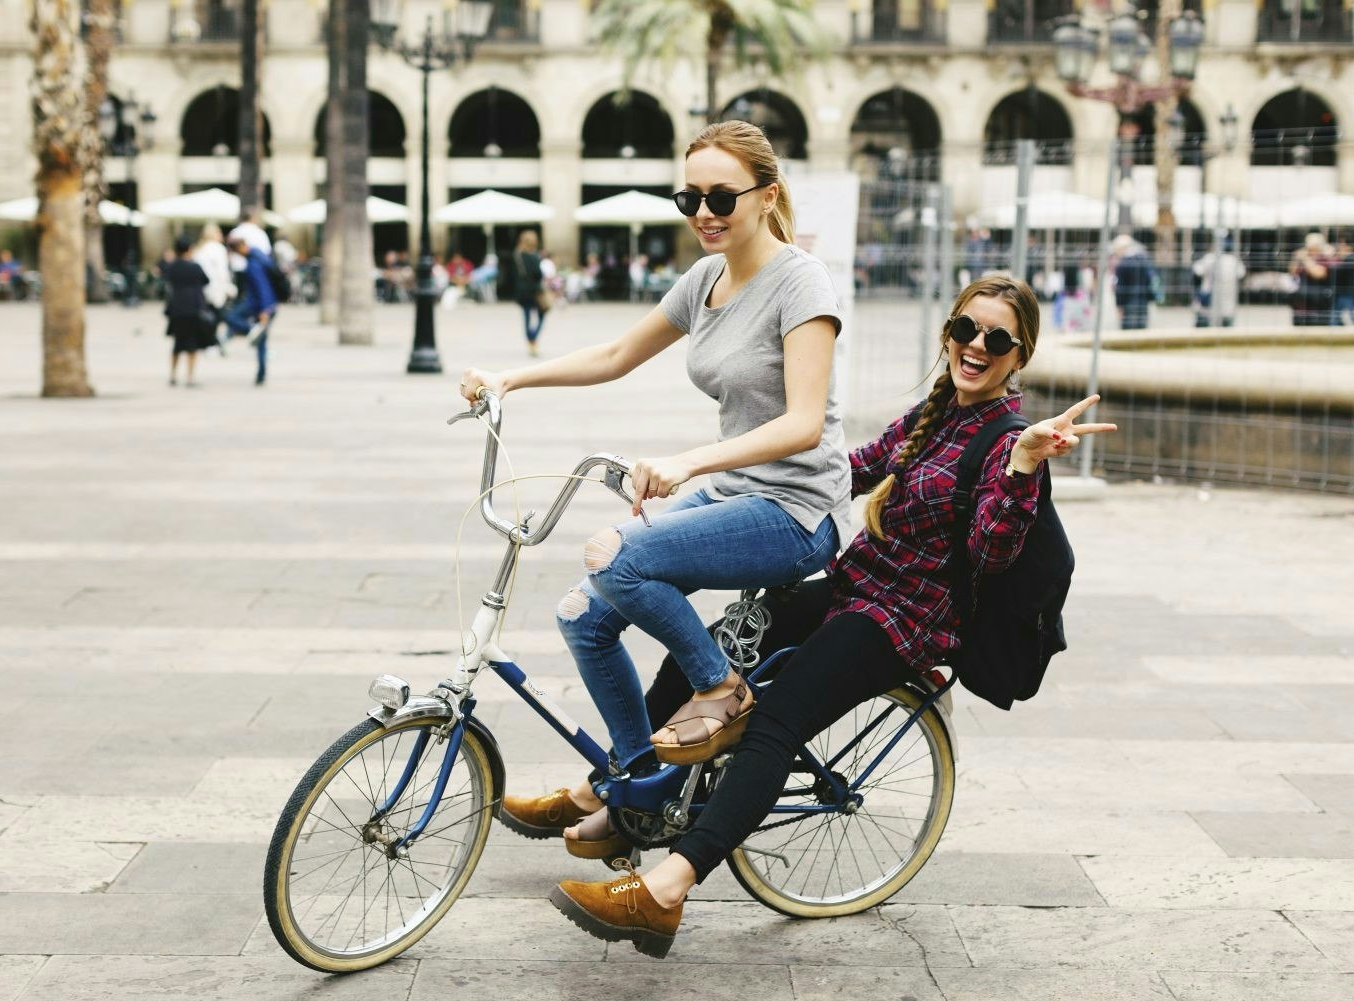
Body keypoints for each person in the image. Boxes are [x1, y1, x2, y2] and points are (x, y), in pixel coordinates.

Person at [543, 275, 1117, 956]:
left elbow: (991, 550)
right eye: (967, 329)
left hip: (902, 619)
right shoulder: (933, 414)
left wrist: (1023, 467)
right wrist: (759, 487)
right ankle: (631, 796)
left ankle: (667, 888)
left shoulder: (1005, 439)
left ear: (1017, 357)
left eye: (997, 339)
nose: (976, 347)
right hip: (853, 584)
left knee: (775, 718)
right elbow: (853, 468)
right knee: (712, 643)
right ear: (949, 332)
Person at [461, 120, 849, 859]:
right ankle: (639, 788)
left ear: (767, 196)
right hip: (736, 490)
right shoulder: (705, 277)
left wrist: (690, 460)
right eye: (690, 197)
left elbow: (804, 424)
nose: (704, 212)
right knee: (582, 613)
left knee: (620, 559)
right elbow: (614, 353)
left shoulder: (802, 282)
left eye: (721, 196)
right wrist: (511, 377)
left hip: (797, 509)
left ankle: (721, 688)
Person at [224, 234, 278, 386]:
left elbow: (263, 288)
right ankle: (261, 373)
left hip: (259, 305)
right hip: (265, 304)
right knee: (261, 340)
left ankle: (251, 329)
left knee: (231, 317)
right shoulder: (259, 256)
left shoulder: (254, 263)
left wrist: (265, 310)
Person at [162, 235, 213, 387]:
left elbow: (166, 279)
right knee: (192, 345)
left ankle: (173, 375)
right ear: (189, 249)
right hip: (193, 308)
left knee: (178, 344)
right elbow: (206, 281)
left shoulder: (172, 266)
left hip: (176, 308)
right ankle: (190, 377)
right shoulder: (194, 267)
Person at [499, 230, 548, 356]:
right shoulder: (534, 256)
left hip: (521, 291)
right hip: (534, 290)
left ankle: (530, 341)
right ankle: (533, 338)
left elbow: (513, 274)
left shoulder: (517, 255)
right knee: (542, 313)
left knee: (526, 317)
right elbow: (538, 274)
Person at [193, 223, 235, 350]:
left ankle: (208, 342)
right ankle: (215, 342)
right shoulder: (218, 249)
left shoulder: (200, 249)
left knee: (207, 317)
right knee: (218, 317)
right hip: (216, 288)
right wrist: (228, 287)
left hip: (203, 289)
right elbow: (222, 272)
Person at [1192, 235, 1245, 329]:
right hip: (1228, 303)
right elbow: (1242, 275)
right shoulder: (1234, 260)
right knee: (1226, 330)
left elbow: (1196, 270)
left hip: (1208, 302)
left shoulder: (1209, 258)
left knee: (1203, 328)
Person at [1289, 232, 1334, 327]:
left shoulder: (1324, 258)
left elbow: (1319, 274)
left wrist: (1305, 259)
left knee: (1317, 327)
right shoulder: (1304, 257)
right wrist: (1296, 259)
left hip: (1318, 300)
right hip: (1302, 299)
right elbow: (1292, 272)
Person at [1110, 235, 1154, 330]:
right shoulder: (1143, 261)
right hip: (1143, 303)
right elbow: (1149, 281)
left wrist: (1119, 307)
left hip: (1128, 305)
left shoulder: (1122, 264)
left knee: (1128, 336)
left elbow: (1120, 289)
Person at [1331, 234, 1354, 326]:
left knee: (1346, 314)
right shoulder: (1350, 258)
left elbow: (1340, 271)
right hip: (1345, 291)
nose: (1339, 246)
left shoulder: (1351, 258)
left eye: (1341, 244)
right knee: (1338, 314)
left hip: (1346, 291)